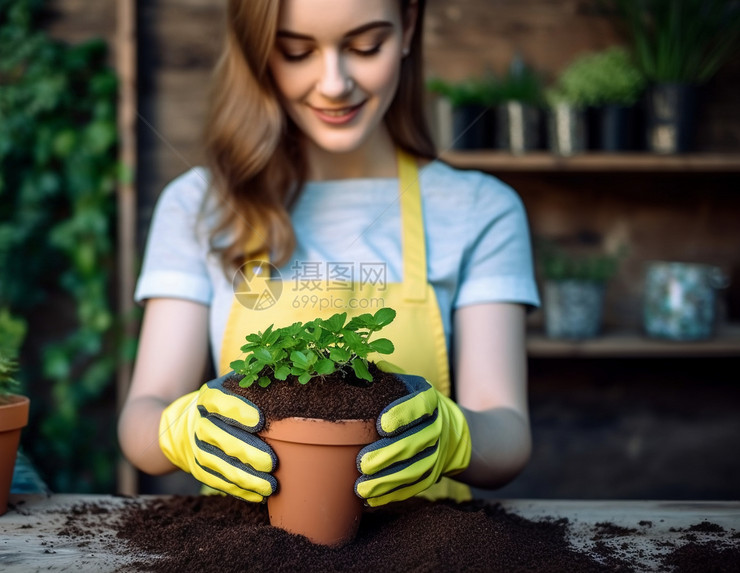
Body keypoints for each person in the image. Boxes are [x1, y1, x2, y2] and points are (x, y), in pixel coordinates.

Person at [118, 0, 539, 507]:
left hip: (426, 543)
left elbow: (508, 435)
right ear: (260, 53)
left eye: (365, 46)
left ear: (407, 27)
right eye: (297, 52)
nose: (335, 83)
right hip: (249, 546)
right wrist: (176, 428)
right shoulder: (198, 205)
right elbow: (142, 418)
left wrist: (455, 434)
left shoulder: (479, 208)